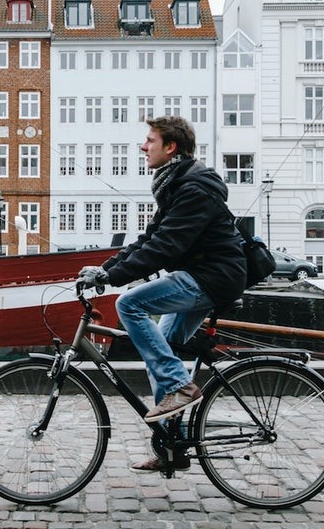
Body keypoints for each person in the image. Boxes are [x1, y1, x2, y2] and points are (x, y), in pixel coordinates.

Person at [78, 116, 246, 471]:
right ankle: (172, 447)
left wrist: (113, 281)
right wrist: (106, 269)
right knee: (161, 352)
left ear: (170, 147)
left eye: (149, 140)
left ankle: (181, 387)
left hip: (212, 277)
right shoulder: (176, 182)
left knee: (130, 303)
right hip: (202, 274)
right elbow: (148, 239)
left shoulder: (194, 187)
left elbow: (166, 247)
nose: (143, 146)